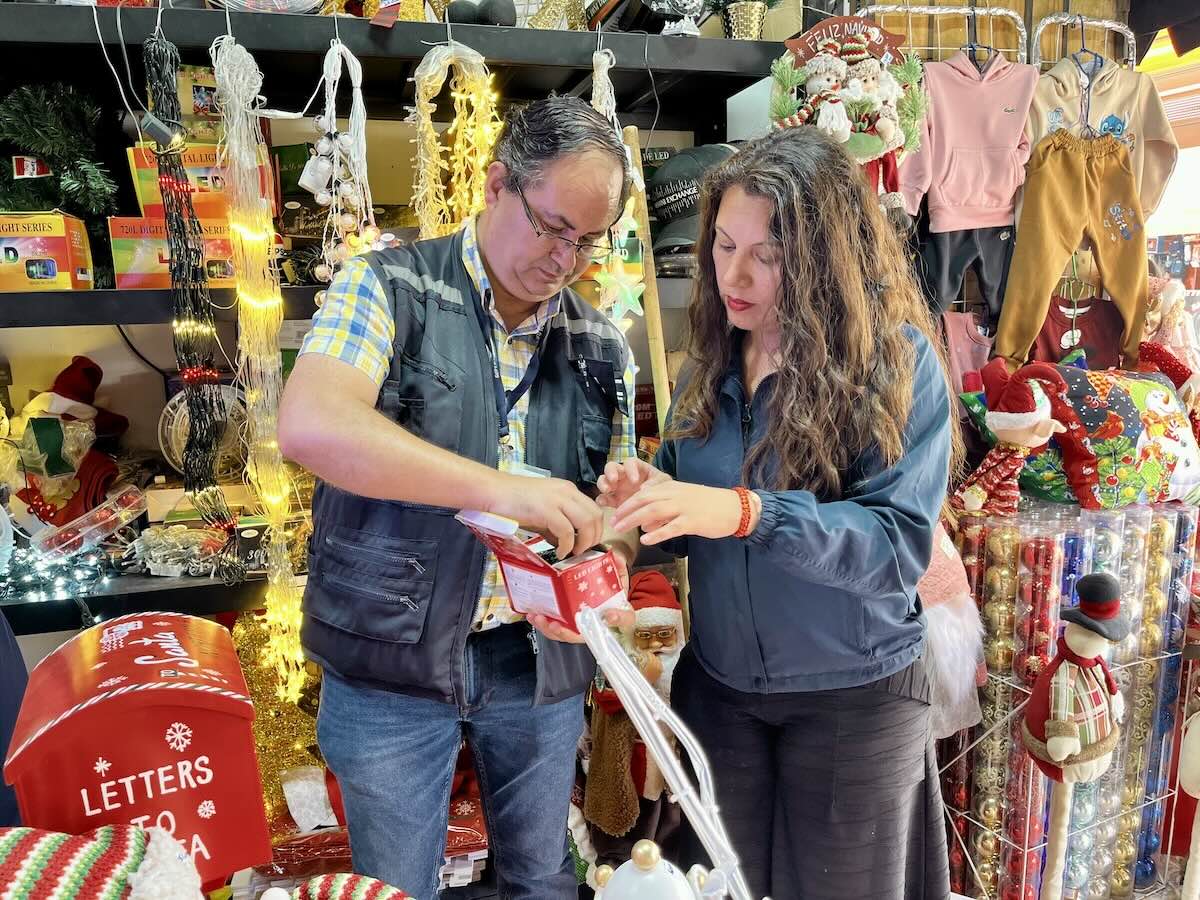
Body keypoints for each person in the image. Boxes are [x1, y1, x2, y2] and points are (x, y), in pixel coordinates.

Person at [278, 96, 640, 900]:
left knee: (542, 877)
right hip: (390, 660)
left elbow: (614, 512)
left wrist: (605, 567)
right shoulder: (387, 287)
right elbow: (310, 425)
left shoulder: (600, 346)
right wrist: (502, 489)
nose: (565, 259)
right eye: (552, 227)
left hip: (538, 666)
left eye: (588, 240)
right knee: (395, 887)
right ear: (497, 184)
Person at [597, 126, 957, 899]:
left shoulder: (895, 364)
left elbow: (894, 547)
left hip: (854, 699)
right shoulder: (714, 361)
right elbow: (685, 500)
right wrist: (639, 505)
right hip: (722, 696)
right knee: (720, 887)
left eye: (767, 255)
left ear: (827, 258)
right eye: (724, 246)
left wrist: (745, 513)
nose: (735, 274)